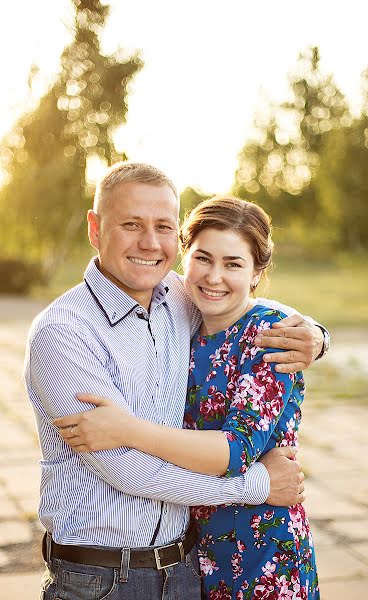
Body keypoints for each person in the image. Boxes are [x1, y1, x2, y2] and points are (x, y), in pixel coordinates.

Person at [25, 162, 327, 600]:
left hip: (187, 571)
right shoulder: (64, 332)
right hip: (102, 579)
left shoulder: (175, 298)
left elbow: (240, 299)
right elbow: (130, 471)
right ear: (95, 228)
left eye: (163, 226)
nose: (149, 243)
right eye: (131, 224)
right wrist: (259, 485)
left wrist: (316, 336)